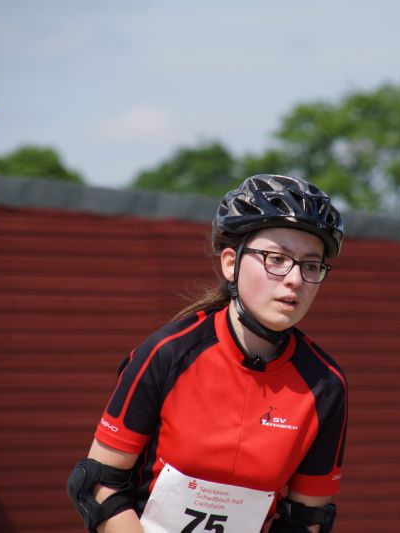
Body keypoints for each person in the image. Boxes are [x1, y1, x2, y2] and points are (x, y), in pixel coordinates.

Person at [67, 174, 348, 533]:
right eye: (276, 258)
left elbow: (307, 520)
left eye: (310, 265)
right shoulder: (167, 353)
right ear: (231, 263)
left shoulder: (326, 384)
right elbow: (96, 484)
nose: (294, 279)